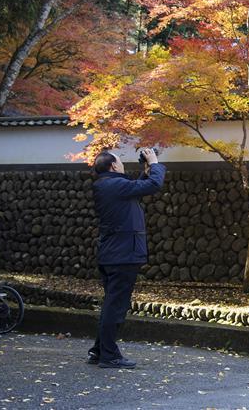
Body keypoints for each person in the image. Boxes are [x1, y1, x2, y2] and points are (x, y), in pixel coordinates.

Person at [87, 148, 165, 369]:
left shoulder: (107, 185)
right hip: (123, 255)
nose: (122, 164)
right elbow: (154, 185)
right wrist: (155, 163)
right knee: (116, 307)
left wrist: (146, 171)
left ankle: (99, 351)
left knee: (111, 305)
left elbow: (136, 190)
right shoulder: (115, 186)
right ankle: (109, 355)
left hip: (113, 254)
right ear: (113, 166)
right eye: (120, 161)